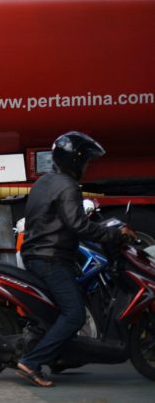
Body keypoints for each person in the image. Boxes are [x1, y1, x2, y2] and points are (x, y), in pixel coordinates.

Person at [17, 131, 135, 387]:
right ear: (75, 160)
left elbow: (57, 219)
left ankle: (58, 355)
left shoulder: (44, 182)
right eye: (86, 161)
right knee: (74, 315)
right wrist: (113, 234)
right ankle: (32, 362)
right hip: (50, 259)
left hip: (36, 254)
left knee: (62, 306)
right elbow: (78, 226)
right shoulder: (68, 186)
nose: (87, 166)